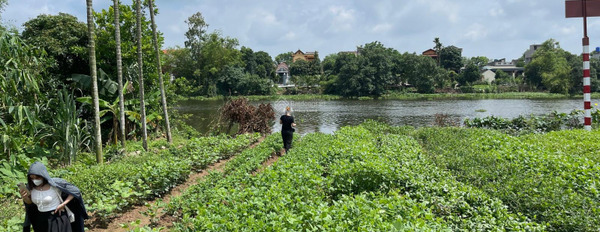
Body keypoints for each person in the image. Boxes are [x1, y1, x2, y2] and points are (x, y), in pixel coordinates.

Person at [20, 161, 89, 232]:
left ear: (43, 175)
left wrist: (63, 204)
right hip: (40, 220)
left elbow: (75, 191)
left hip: (56, 218)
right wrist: (25, 197)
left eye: (37, 178)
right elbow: (30, 203)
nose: (35, 180)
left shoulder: (54, 185)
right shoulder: (31, 187)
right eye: (32, 178)